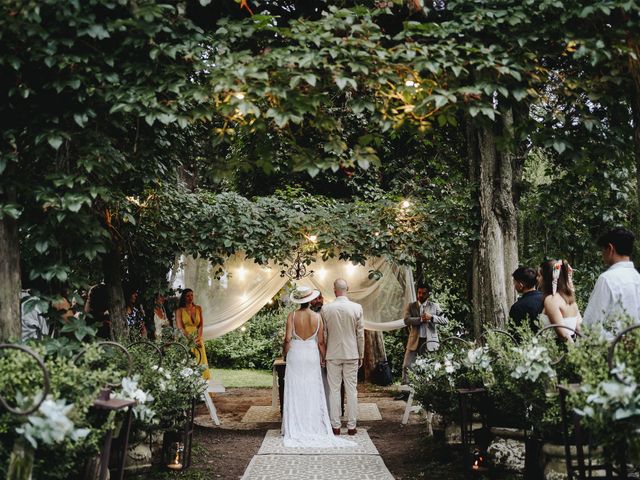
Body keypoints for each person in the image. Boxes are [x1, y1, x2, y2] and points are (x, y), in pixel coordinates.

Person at [281, 286, 356, 448]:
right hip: (311, 354)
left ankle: (295, 424)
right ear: (310, 300)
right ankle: (312, 424)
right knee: (312, 389)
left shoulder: (291, 315)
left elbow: (287, 339)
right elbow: (321, 342)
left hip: (296, 354)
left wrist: (285, 354)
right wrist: (323, 357)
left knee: (296, 389)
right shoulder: (317, 317)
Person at [321, 278, 364, 436]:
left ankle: (335, 426)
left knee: (334, 390)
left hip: (332, 354)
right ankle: (352, 427)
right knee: (352, 390)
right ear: (348, 288)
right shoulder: (357, 308)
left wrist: (324, 354)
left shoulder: (326, 309)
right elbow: (360, 335)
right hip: (351, 353)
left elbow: (324, 335)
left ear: (334, 289)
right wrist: (361, 354)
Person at [582, 228, 640, 329]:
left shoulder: (607, 279)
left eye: (602, 249)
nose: (602, 254)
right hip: (633, 342)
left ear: (610, 248)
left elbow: (591, 322)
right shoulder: (637, 278)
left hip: (609, 343)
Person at [400, 283, 448, 386]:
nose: (420, 295)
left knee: (431, 367)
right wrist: (420, 319)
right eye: (419, 293)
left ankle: (428, 390)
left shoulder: (434, 306)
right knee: (407, 365)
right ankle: (406, 390)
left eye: (423, 293)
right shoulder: (411, 306)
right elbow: (406, 320)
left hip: (430, 341)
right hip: (414, 341)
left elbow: (445, 320)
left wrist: (432, 318)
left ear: (428, 294)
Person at [538, 259, 582, 341]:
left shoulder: (551, 300)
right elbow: (579, 328)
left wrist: (574, 352)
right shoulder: (570, 299)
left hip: (556, 349)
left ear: (547, 278)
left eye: (540, 276)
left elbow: (563, 334)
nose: (538, 279)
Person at [175, 288, 211, 380]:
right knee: (189, 362)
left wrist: (198, 338)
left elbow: (200, 325)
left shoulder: (198, 308)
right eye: (188, 296)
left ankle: (204, 386)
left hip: (198, 339)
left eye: (191, 295)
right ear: (184, 297)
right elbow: (180, 327)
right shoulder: (179, 310)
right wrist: (191, 340)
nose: (190, 297)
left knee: (201, 362)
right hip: (186, 339)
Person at [509, 267, 543, 333]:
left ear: (521, 285)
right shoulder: (546, 299)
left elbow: (513, 335)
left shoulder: (517, 307)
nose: (514, 285)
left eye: (514, 282)